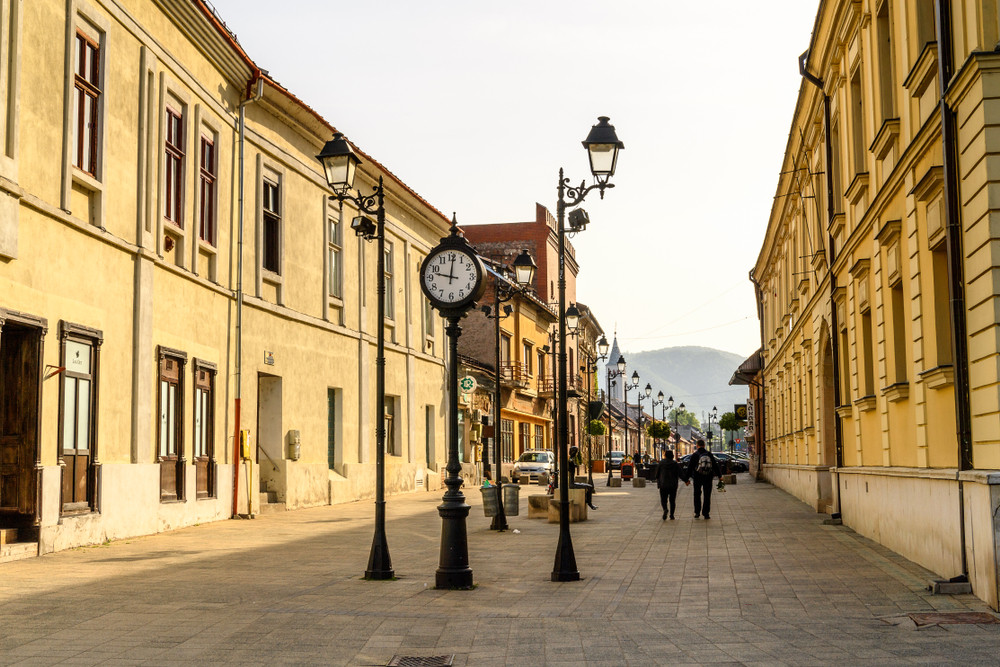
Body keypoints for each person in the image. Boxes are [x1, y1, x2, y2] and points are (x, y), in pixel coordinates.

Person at [683, 439, 719, 519]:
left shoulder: (695, 455)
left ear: (697, 445)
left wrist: (686, 479)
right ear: (704, 445)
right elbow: (715, 466)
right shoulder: (709, 454)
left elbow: (690, 468)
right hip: (708, 477)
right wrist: (720, 476)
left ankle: (697, 512)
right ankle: (706, 513)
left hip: (697, 477)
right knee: (707, 495)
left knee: (697, 494)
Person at [567, 446, 597, 510]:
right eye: (576, 452)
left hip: (572, 482)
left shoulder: (571, 459)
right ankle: (589, 503)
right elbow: (572, 466)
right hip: (572, 484)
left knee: (589, 487)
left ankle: (588, 502)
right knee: (590, 487)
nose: (577, 453)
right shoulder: (571, 460)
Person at [656, 450, 680, 520]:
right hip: (673, 485)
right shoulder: (675, 464)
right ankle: (672, 515)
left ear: (665, 455)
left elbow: (657, 474)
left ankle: (665, 509)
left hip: (663, 484)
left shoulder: (661, 463)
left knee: (663, 500)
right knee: (672, 500)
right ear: (672, 456)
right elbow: (680, 473)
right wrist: (686, 480)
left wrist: (658, 480)